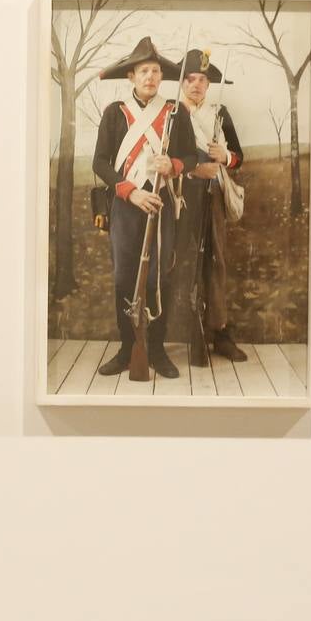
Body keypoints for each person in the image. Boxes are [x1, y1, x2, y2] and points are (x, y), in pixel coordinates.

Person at [91, 37, 196, 379]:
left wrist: (174, 165)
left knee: (158, 277)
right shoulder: (114, 113)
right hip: (126, 206)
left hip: (162, 206)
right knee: (124, 278)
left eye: (155, 71)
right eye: (143, 71)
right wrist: (130, 192)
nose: (150, 77)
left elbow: (192, 157)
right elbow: (100, 162)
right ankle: (127, 348)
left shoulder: (175, 114)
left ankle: (156, 349)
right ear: (132, 77)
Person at [172, 48, 249, 364]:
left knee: (215, 262)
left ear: (208, 83)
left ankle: (219, 332)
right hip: (179, 196)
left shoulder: (220, 113)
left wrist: (224, 157)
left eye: (202, 79)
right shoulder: (172, 114)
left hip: (214, 196)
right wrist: (191, 169)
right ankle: (187, 332)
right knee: (182, 261)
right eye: (190, 79)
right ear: (182, 83)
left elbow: (239, 158)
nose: (196, 85)